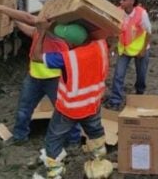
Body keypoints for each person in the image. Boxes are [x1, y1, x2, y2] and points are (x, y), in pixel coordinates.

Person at [0, 3, 81, 147]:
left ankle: (73, 140)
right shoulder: (44, 29)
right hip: (35, 76)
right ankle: (19, 137)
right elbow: (31, 31)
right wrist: (15, 21)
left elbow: (29, 18)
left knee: (64, 111)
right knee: (24, 109)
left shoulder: (58, 29)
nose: (42, 14)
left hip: (54, 78)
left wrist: (0, 8)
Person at [31, 20, 112, 179]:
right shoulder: (100, 46)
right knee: (96, 133)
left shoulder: (67, 58)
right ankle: (99, 163)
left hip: (70, 108)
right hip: (92, 103)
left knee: (54, 139)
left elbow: (36, 56)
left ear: (70, 42)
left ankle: (55, 173)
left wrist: (41, 33)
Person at [104, 0, 151, 110]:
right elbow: (114, 30)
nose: (121, 2)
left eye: (124, 0)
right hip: (124, 49)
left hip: (140, 49)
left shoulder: (141, 13)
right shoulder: (118, 11)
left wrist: (143, 50)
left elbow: (149, 33)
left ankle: (140, 93)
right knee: (118, 75)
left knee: (141, 74)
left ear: (132, 1)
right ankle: (115, 100)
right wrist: (112, 47)